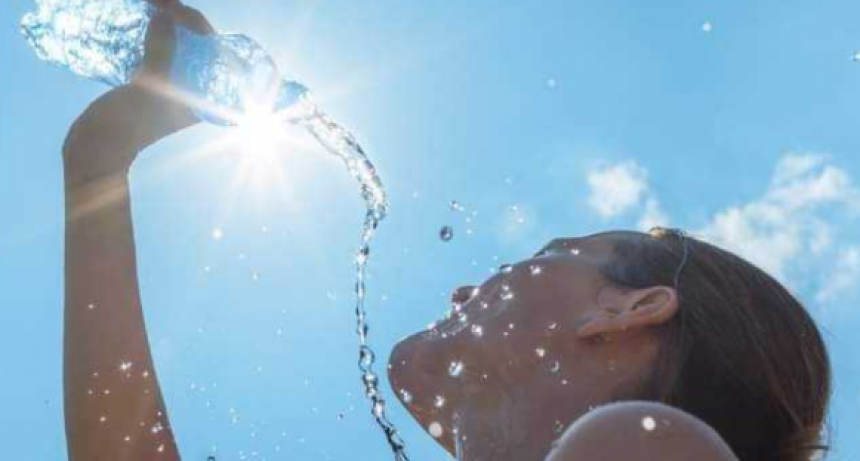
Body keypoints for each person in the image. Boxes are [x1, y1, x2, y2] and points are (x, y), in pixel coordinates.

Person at [60, 1, 831, 460]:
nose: (469, 286)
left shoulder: (644, 441)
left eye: (549, 254)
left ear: (631, 308)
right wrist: (97, 167)